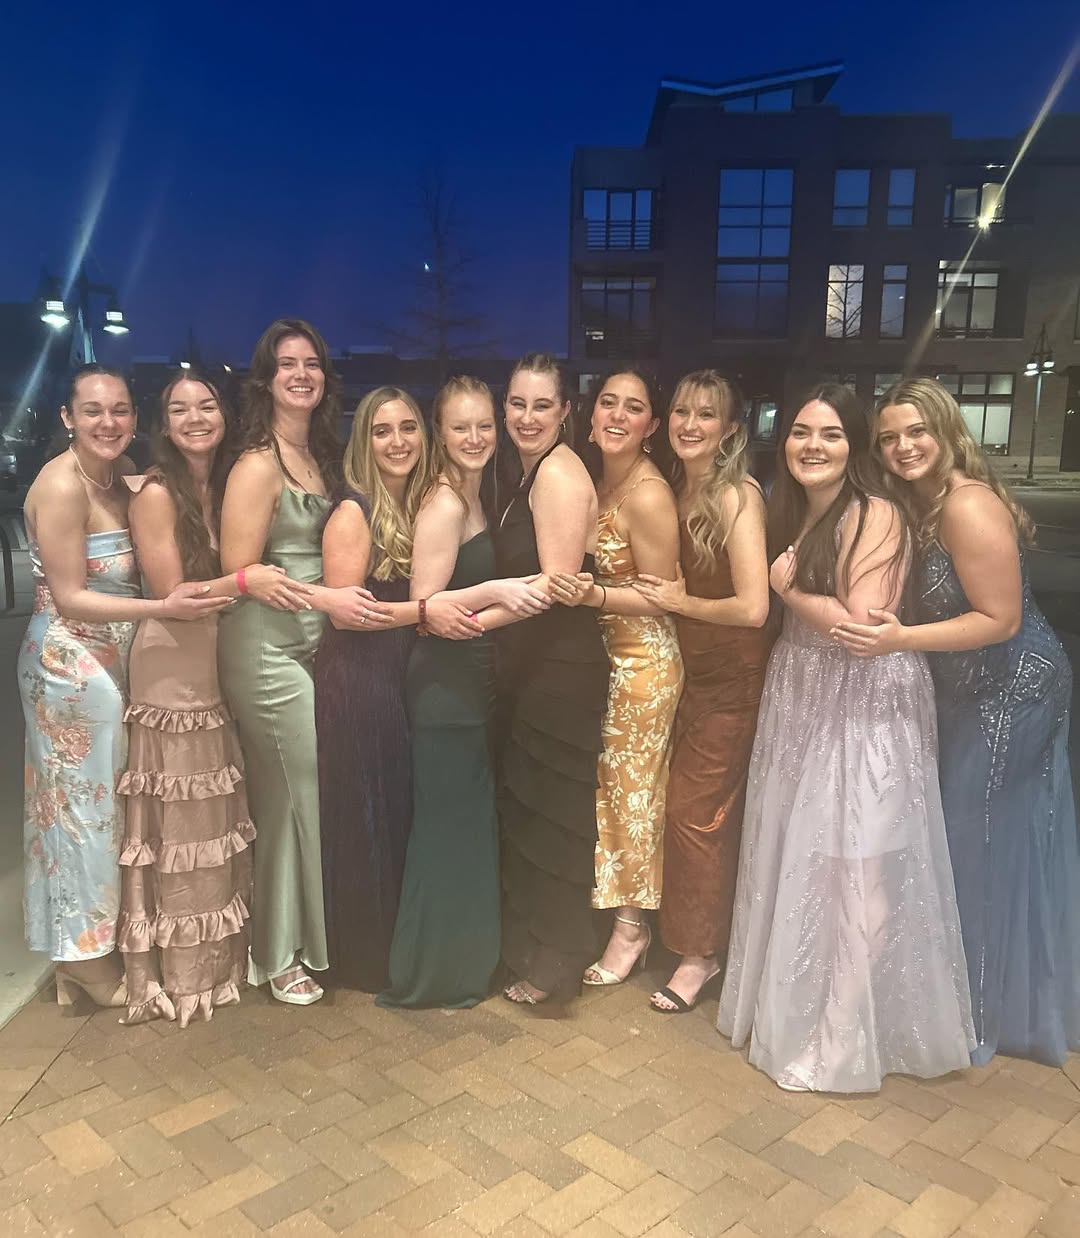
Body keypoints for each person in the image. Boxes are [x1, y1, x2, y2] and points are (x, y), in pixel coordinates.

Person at [717, 384, 974, 1092]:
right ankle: (804, 1014)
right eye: (801, 432)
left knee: (859, 865)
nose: (812, 446)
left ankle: (843, 1033)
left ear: (855, 446)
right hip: (804, 690)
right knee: (807, 860)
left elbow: (863, 627)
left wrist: (787, 589)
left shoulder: (875, 512)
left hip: (862, 702)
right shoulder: (800, 506)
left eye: (830, 435)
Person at [833, 377, 1080, 1067]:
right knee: (981, 834)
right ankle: (989, 993)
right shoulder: (920, 503)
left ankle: (980, 1007)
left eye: (917, 431)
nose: (903, 447)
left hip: (1014, 689)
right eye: (889, 438)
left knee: (981, 837)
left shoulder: (967, 504)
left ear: (947, 431)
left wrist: (899, 640)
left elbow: (1000, 619)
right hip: (971, 688)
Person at [19, 364, 225, 1011]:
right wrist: (164, 607)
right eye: (92, 411)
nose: (108, 422)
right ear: (67, 418)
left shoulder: (123, 473)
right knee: (80, 814)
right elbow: (70, 595)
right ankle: (83, 959)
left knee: (105, 809)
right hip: (70, 665)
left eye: (120, 410)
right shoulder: (61, 485)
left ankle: (81, 953)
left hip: (115, 660)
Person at [116, 373, 312, 1026]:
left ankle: (221, 964)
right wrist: (248, 579)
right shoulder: (154, 492)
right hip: (172, 669)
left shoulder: (223, 484)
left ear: (224, 414)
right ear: (163, 423)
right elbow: (175, 596)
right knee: (181, 829)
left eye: (206, 405)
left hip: (216, 665)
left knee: (214, 825)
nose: (195, 417)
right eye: (179, 409)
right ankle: (182, 976)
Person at [219, 319, 383, 1006]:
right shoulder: (259, 464)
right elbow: (242, 573)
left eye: (311, 363)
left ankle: (319, 936)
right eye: (286, 364)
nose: (301, 374)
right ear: (266, 379)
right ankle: (280, 952)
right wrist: (328, 598)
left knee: (307, 791)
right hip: (265, 649)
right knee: (292, 793)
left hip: (316, 646)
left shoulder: (320, 455)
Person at [379, 377, 549, 1008]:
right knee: (448, 830)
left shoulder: (481, 491)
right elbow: (425, 609)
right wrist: (500, 592)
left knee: (467, 826)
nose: (475, 437)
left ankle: (465, 965)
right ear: (440, 432)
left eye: (483, 425)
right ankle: (436, 973)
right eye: (460, 427)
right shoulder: (445, 503)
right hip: (443, 689)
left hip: (473, 682)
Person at [632, 371, 771, 1014]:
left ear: (731, 429)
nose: (691, 425)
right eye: (683, 411)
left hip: (733, 680)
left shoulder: (736, 496)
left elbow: (753, 608)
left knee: (695, 814)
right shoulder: (677, 488)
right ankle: (685, 937)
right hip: (690, 675)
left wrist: (680, 602)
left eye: (707, 415)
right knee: (680, 808)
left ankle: (700, 955)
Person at [554, 370, 682, 987]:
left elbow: (663, 596)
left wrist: (594, 596)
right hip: (601, 659)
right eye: (608, 402)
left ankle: (632, 927)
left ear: (650, 425)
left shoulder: (649, 495)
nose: (617, 416)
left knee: (634, 796)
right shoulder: (592, 477)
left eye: (634, 408)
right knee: (605, 791)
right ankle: (605, 912)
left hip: (643, 663)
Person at [496, 353, 611, 1006]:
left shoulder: (559, 474)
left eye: (543, 405)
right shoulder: (529, 472)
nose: (528, 416)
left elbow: (554, 588)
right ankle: (540, 947)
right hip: (537, 663)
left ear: (565, 412)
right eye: (518, 403)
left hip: (560, 665)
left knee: (556, 813)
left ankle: (558, 959)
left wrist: (464, 614)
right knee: (537, 807)